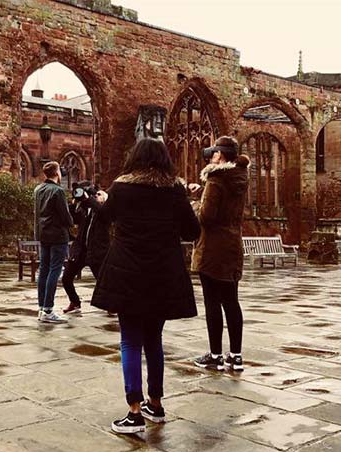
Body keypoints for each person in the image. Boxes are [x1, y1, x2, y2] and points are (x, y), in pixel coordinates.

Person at [91, 138, 200, 434]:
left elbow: (105, 218)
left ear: (134, 158)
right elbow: (193, 230)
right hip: (163, 273)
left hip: (127, 272)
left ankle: (134, 411)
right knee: (154, 340)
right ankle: (156, 404)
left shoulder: (122, 187)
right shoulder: (175, 189)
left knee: (130, 340)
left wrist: (101, 202)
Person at [190, 136, 249, 372]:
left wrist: (195, 202)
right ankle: (235, 356)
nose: (211, 155)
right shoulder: (239, 177)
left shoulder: (216, 180)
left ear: (221, 156)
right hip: (232, 245)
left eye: (214, 152)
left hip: (213, 248)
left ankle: (215, 355)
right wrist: (203, 192)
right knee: (232, 302)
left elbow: (206, 217)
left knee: (213, 303)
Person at [33, 161, 74, 323]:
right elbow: (65, 216)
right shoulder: (57, 191)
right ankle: (48, 310)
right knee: (54, 271)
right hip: (57, 236)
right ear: (57, 173)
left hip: (43, 235)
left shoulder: (38, 189)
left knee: (44, 270)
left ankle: (42, 308)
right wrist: (71, 223)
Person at [61, 182, 110, 314]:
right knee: (66, 278)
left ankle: (110, 305)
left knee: (102, 281)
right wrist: (77, 202)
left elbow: (102, 212)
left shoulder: (105, 212)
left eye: (99, 195)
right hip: (81, 251)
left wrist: (90, 199)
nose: (96, 196)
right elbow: (70, 217)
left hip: (97, 252)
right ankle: (75, 302)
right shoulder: (86, 210)